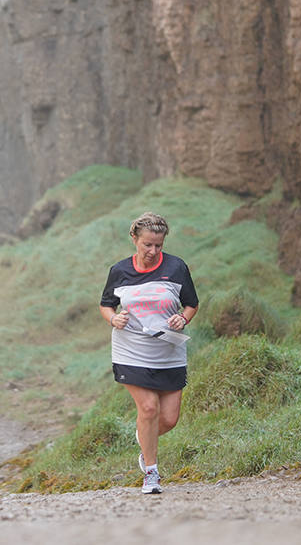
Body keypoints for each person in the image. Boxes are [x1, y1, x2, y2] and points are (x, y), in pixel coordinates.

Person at [99, 212, 198, 494]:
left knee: (169, 419)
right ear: (135, 240)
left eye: (158, 245)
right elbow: (106, 304)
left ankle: (145, 439)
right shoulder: (119, 271)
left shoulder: (177, 267)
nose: (153, 251)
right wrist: (112, 318)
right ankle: (151, 474)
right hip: (131, 350)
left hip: (169, 350)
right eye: (147, 245)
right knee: (149, 408)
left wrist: (184, 318)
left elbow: (191, 303)